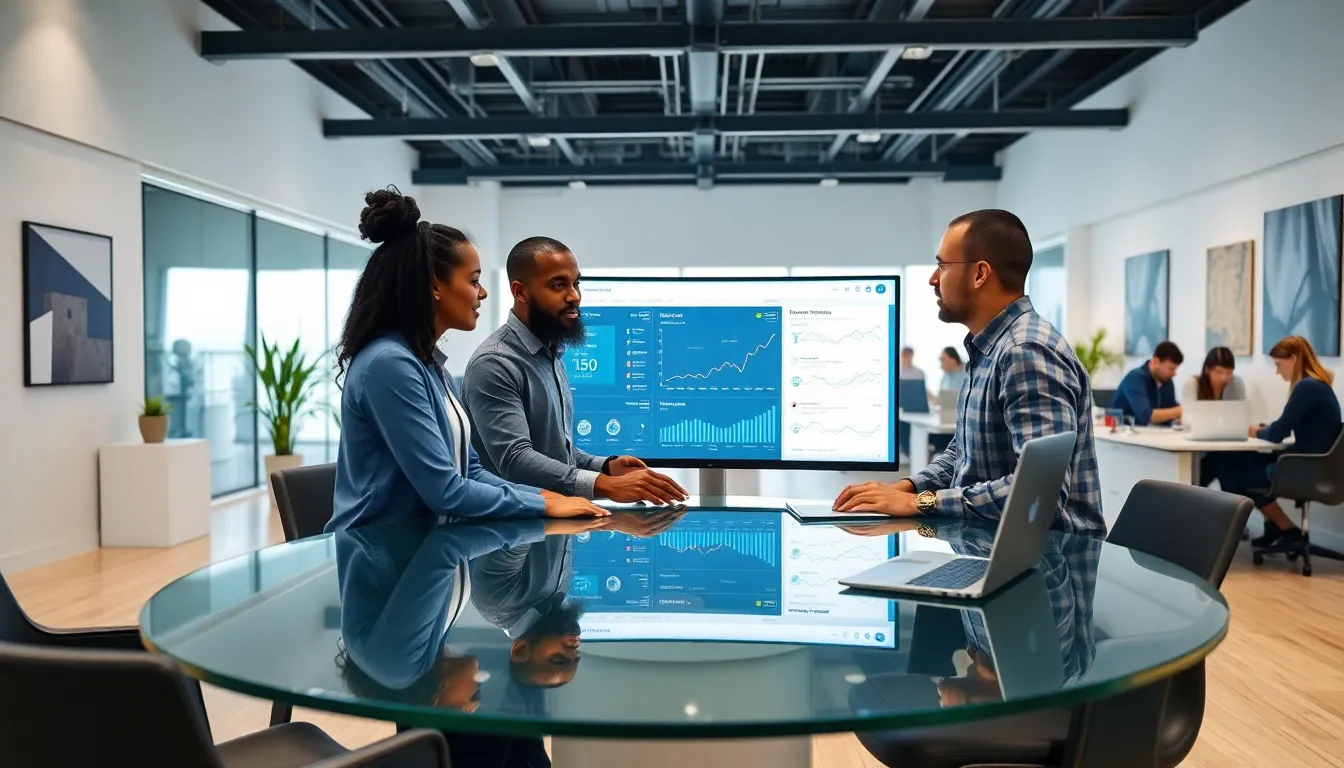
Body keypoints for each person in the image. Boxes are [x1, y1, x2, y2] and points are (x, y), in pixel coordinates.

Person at [327, 189, 607, 533]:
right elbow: (446, 491)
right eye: (473, 280)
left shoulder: (428, 364)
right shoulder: (389, 365)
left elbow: (470, 471)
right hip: (378, 558)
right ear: (435, 287)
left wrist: (548, 498)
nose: (483, 292)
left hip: (424, 555)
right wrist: (544, 503)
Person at [833, 209, 1105, 538]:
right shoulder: (989, 348)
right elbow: (962, 455)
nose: (933, 279)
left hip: (1045, 566)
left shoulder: (1024, 352)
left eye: (943, 266)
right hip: (988, 549)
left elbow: (1039, 495)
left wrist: (922, 502)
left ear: (979, 274)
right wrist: (905, 488)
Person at [462, 237, 687, 506]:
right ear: (520, 292)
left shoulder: (551, 353)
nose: (574, 296)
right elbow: (516, 459)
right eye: (558, 285)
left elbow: (555, 452)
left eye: (576, 283)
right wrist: (607, 486)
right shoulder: (495, 362)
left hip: (554, 528)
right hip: (510, 538)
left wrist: (605, 466)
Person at [1219, 336, 1342, 551]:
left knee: (1230, 473)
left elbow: (1277, 433)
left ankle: (1286, 530)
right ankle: (1277, 528)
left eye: (1278, 365)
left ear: (1293, 359)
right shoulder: (1317, 385)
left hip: (1305, 470)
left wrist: (1255, 430)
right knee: (1245, 461)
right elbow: (1284, 427)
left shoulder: (1306, 387)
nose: (1277, 372)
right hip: (1317, 467)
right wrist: (1266, 429)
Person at [1182, 347, 1248, 486]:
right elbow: (1187, 418)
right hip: (1200, 447)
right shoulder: (1194, 384)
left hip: (1228, 445)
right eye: (1218, 372)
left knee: (1237, 468)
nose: (1224, 378)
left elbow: (1240, 415)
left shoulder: (1236, 383)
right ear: (1207, 370)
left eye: (1228, 373)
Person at [1111, 341, 1184, 426]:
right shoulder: (1135, 378)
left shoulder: (1166, 381)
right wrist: (1181, 410)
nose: (1174, 373)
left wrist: (1178, 417)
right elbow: (1145, 416)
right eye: (1171, 369)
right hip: (1124, 432)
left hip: (1153, 433)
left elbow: (1171, 410)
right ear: (1155, 361)